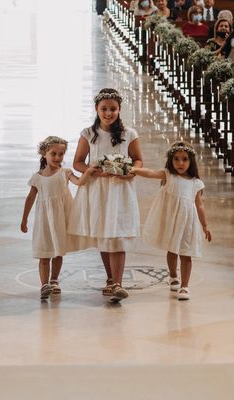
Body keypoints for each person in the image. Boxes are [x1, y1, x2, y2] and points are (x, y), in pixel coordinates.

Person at [68, 88, 143, 303]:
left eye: (113, 109)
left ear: (119, 110)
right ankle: (110, 279)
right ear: (96, 109)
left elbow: (138, 159)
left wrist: (129, 171)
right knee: (104, 233)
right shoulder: (88, 134)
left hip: (119, 188)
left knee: (117, 235)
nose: (108, 113)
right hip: (98, 188)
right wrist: (91, 170)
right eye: (104, 109)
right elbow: (78, 162)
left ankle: (118, 283)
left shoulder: (129, 134)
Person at [130, 142, 211, 301]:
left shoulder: (196, 183)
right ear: (171, 160)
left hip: (188, 223)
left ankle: (185, 286)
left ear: (191, 161)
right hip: (172, 220)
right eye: (176, 159)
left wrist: (205, 225)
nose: (180, 163)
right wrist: (135, 170)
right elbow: (151, 173)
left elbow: (199, 205)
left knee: (186, 253)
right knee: (172, 250)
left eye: (185, 159)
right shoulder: (168, 175)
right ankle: (173, 276)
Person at [21, 137, 95, 300]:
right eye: (53, 154)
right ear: (44, 154)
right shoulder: (37, 178)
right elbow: (30, 198)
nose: (57, 157)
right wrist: (24, 218)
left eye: (61, 154)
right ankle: (44, 284)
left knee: (58, 251)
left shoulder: (65, 173)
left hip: (61, 219)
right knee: (44, 252)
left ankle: (54, 280)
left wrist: (88, 171)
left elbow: (80, 182)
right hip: (45, 221)